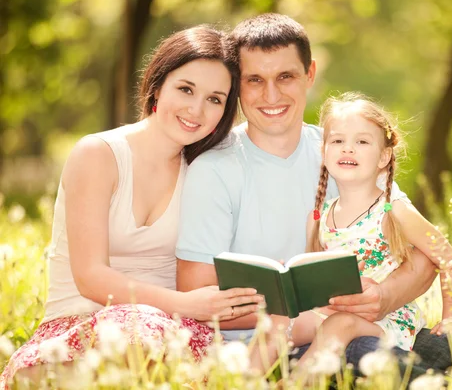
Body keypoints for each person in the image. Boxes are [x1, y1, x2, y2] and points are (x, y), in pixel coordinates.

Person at [176, 13, 452, 382]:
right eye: (255, 80)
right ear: (237, 86)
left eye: (285, 76)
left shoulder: (344, 150)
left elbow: (425, 255)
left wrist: (383, 297)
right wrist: (301, 316)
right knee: (386, 369)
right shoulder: (213, 170)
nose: (271, 95)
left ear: (310, 74)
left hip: (369, 324)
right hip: (271, 345)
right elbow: (196, 296)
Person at [0, 25, 263, 389]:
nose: (196, 109)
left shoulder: (207, 174)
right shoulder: (99, 154)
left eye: (215, 99)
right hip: (82, 328)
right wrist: (186, 305)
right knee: (134, 333)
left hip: (172, 333)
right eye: (185, 89)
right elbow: (91, 277)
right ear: (157, 86)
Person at [250, 92, 452, 373]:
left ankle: (294, 384)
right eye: (337, 141)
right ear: (324, 151)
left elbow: (447, 258)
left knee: (340, 324)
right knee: (277, 321)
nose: (347, 149)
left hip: (386, 322)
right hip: (332, 314)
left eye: (361, 142)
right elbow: (314, 279)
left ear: (384, 156)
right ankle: (237, 380)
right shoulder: (319, 217)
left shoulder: (392, 210)